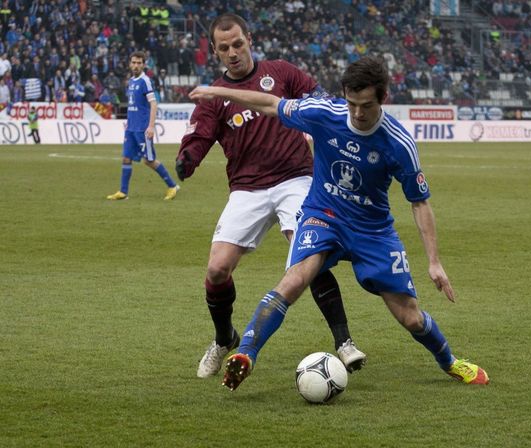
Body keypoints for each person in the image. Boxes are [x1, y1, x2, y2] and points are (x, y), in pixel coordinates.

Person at [188, 56, 490, 390]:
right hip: (324, 215)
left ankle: (450, 362)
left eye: (367, 106)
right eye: (351, 104)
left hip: (372, 230)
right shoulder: (325, 114)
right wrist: (220, 90)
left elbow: (419, 202)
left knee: (410, 316)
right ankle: (245, 354)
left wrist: (434, 262)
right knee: (295, 279)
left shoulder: (399, 144)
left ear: (383, 98)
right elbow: (272, 104)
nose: (358, 114)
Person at [174, 13, 366, 379]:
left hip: (295, 179)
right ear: (216, 52)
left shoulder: (281, 73)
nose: (233, 52)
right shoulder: (216, 97)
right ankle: (222, 338)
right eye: (225, 48)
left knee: (310, 252)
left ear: (249, 39)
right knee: (216, 270)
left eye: (238, 44)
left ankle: (344, 343)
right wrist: (187, 159)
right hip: (246, 189)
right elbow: (197, 138)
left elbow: (320, 99)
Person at [107, 51, 179, 201]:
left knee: (149, 160)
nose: (135, 65)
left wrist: (151, 126)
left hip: (142, 129)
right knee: (126, 158)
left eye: (139, 63)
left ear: (143, 64)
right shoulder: (131, 81)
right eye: (133, 62)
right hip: (131, 128)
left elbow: (153, 104)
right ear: (129, 64)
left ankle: (172, 186)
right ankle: (123, 192)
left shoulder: (145, 81)